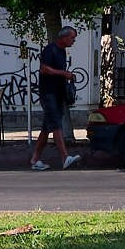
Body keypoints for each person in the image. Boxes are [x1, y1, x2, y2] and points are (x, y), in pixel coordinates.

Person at [32, 24, 83, 170]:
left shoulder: (62, 51)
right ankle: (65, 157)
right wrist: (64, 73)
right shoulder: (50, 50)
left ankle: (35, 159)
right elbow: (44, 69)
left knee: (47, 128)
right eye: (72, 38)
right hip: (48, 94)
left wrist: (67, 78)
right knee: (56, 124)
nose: (73, 41)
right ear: (64, 37)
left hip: (58, 93)